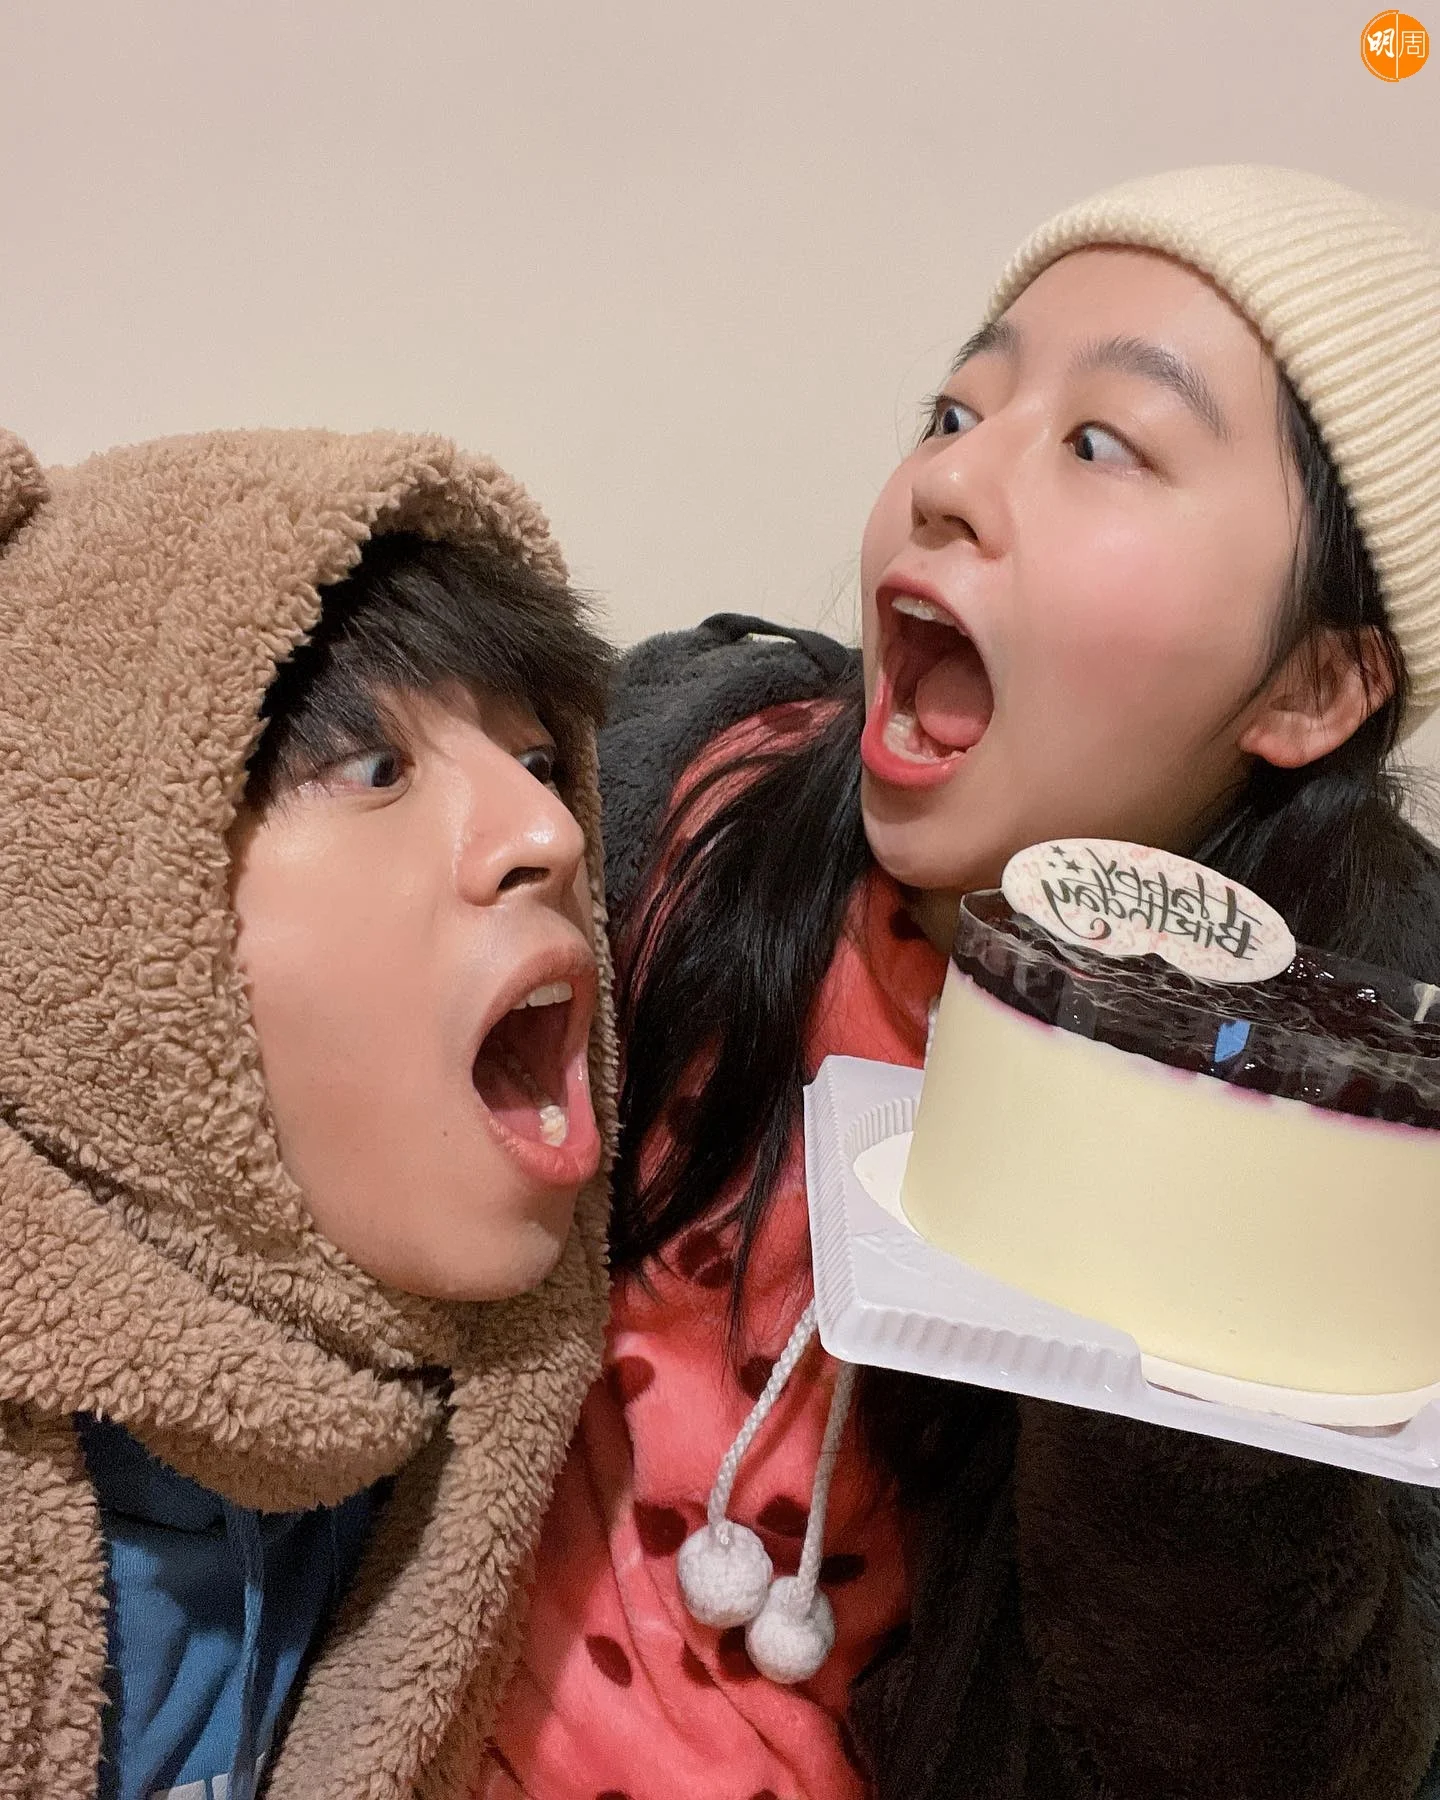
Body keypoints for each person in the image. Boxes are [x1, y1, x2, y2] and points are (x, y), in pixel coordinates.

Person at [484, 166, 1440, 1799]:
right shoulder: (667, 801)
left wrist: (1200, 1238)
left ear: (1311, 683)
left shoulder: (1360, 1134)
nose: (949, 480)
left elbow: (1265, 1752)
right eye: (954, 410)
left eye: (1100, 444)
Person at [0, 426, 616, 1800]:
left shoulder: (419, 1451)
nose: (552, 831)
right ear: (96, 921)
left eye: (537, 756)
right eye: (376, 767)